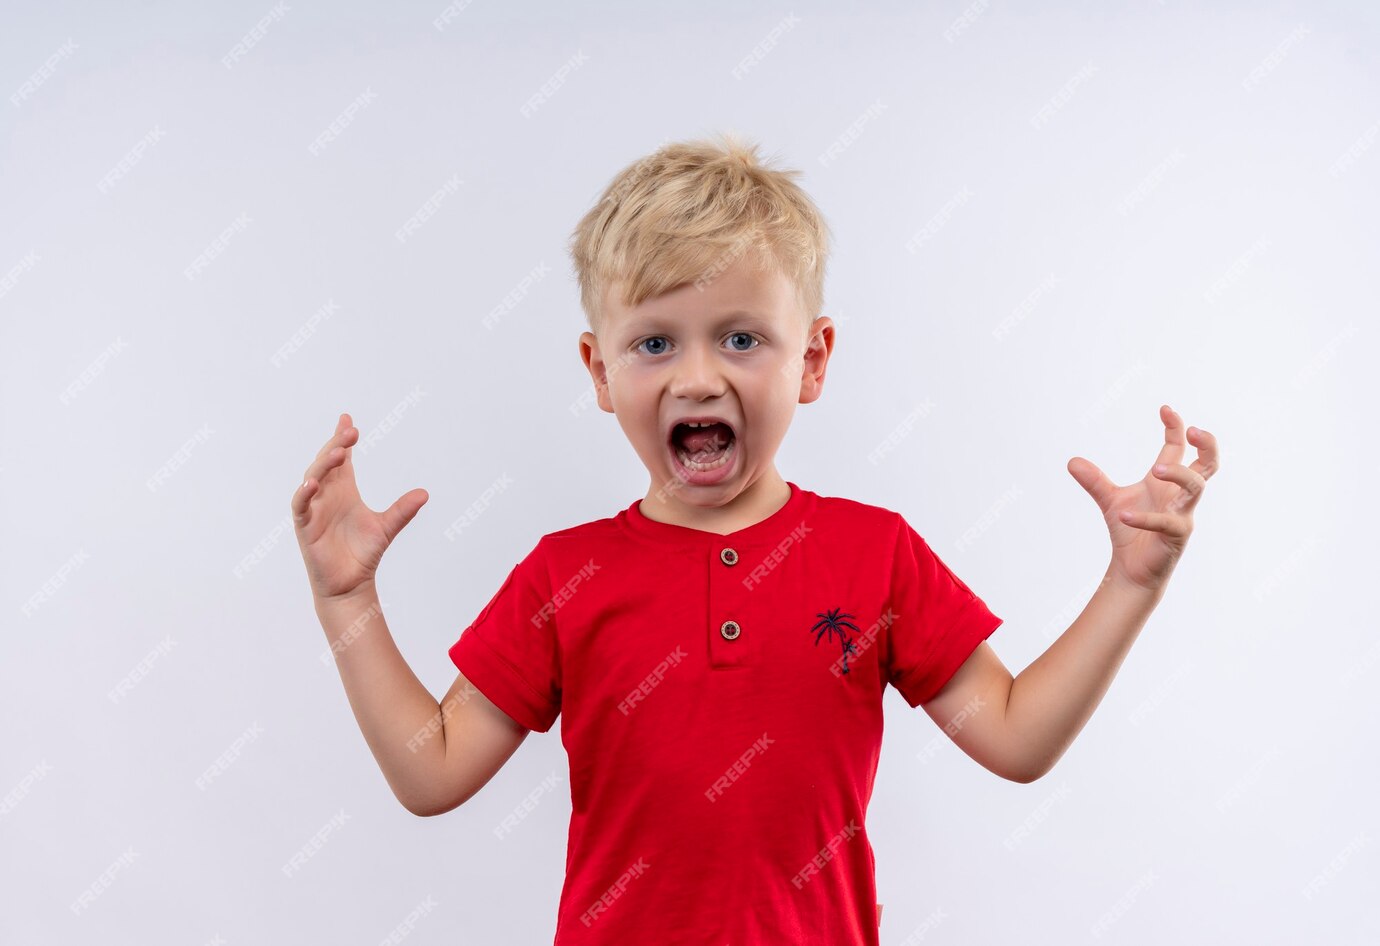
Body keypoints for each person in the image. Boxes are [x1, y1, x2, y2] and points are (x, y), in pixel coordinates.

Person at [290, 132, 1220, 945]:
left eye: (740, 339)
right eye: (655, 343)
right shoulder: (562, 576)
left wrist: (1131, 582)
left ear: (811, 359)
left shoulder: (877, 554)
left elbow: (1017, 739)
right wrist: (347, 600)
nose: (697, 379)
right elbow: (430, 770)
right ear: (599, 370)